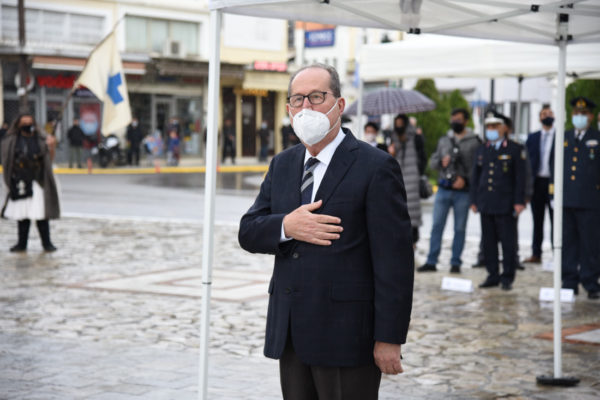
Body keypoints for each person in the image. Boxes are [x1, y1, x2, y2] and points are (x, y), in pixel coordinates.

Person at [238, 63, 414, 400]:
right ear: (289, 107)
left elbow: (395, 262)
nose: (306, 107)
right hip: (291, 332)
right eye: (298, 99)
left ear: (339, 104)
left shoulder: (375, 166)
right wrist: (287, 226)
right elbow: (248, 231)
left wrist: (390, 337)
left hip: (347, 336)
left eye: (317, 97)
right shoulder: (283, 164)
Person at [418, 108, 481, 273]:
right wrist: (441, 162)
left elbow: (478, 167)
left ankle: (455, 262)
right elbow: (432, 162)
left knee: (460, 228)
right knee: (437, 225)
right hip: (444, 189)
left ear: (466, 121)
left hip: (463, 191)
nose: (455, 122)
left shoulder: (474, 142)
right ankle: (431, 260)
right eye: (453, 119)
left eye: (458, 119)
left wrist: (465, 180)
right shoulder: (444, 140)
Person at [470, 112, 526, 291]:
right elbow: (475, 176)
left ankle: (507, 277)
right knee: (489, 242)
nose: (491, 130)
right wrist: (474, 200)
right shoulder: (482, 149)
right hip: (486, 203)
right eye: (489, 127)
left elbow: (521, 178)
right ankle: (492, 274)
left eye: (495, 126)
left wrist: (519, 201)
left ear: (504, 128)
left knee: (508, 243)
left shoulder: (514, 149)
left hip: (505, 203)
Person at [552, 97, 600, 299]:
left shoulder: (596, 137)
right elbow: (554, 165)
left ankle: (590, 281)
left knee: (590, 244)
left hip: (590, 200)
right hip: (567, 199)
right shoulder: (564, 137)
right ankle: (569, 281)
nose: (579, 116)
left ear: (590, 116)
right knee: (568, 243)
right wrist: (553, 193)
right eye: (576, 113)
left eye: (583, 113)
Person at [1, 113, 60, 252]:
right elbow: (6, 160)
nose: (27, 125)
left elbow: (49, 159)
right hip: (20, 180)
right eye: (24, 122)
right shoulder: (12, 140)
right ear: (18, 124)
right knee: (22, 215)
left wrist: (51, 146)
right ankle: (21, 244)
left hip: (38, 180)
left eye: (29, 122)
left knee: (41, 214)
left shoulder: (41, 139)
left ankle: (47, 243)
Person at [523, 106, 555, 265]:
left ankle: (557, 252)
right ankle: (536, 252)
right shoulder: (533, 137)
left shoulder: (560, 136)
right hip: (537, 183)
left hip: (553, 183)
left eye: (549, 113)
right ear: (539, 118)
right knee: (537, 220)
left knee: (556, 220)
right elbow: (527, 162)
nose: (547, 116)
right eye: (544, 114)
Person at [389, 113, 426, 246]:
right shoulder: (392, 138)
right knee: (397, 210)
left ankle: (413, 240)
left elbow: (422, 157)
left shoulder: (415, 137)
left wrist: (419, 173)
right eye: (397, 124)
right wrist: (391, 152)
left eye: (401, 123)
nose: (399, 126)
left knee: (413, 211)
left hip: (412, 178)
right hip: (397, 178)